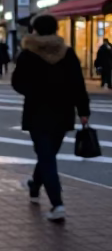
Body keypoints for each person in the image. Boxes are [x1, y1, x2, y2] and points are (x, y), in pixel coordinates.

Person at [11, 14, 89, 222]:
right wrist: (83, 111)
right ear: (55, 29)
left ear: (35, 30)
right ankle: (35, 186)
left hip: (37, 111)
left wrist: (35, 90)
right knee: (48, 155)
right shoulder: (67, 53)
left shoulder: (28, 54)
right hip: (62, 111)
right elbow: (77, 84)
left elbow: (17, 83)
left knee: (46, 156)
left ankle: (57, 203)